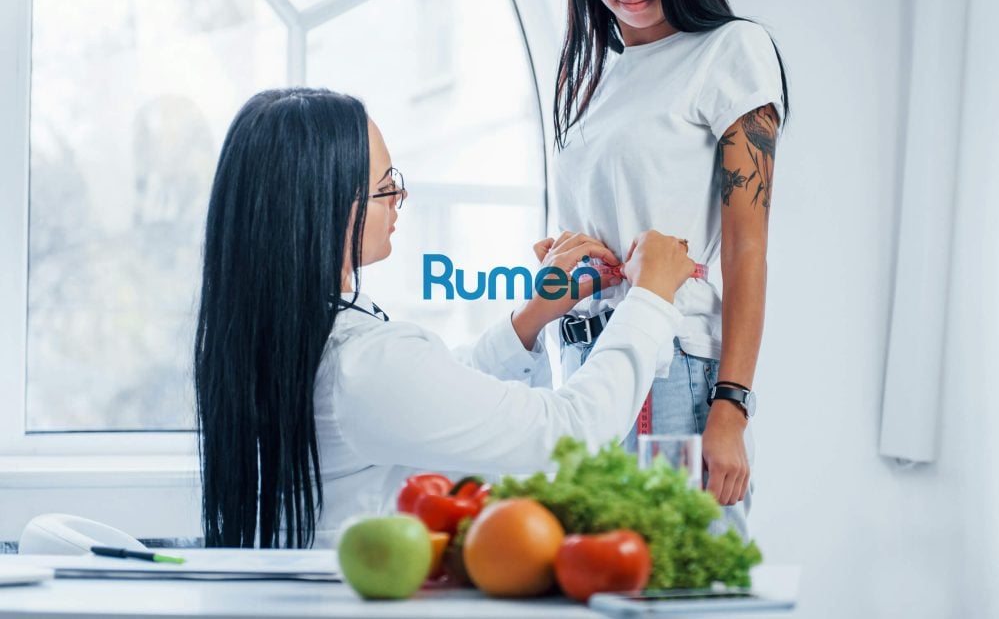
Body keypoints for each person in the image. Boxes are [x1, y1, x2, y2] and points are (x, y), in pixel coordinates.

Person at [194, 88, 697, 548]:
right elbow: (569, 431)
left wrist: (531, 318)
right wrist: (652, 294)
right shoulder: (364, 364)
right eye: (386, 185)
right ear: (328, 209)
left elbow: (435, 396)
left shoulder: (281, 334)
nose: (401, 197)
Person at [551, 0, 790, 540]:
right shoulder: (599, 75)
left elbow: (746, 247)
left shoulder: (730, 50)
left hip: (670, 368)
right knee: (599, 586)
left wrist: (731, 408)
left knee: (679, 587)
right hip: (587, 368)